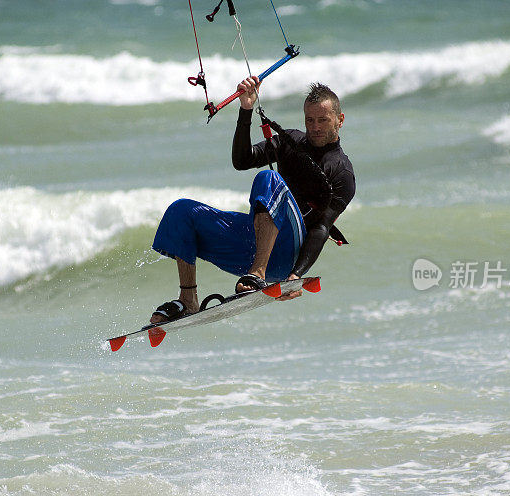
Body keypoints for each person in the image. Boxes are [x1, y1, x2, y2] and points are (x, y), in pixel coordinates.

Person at [148, 78, 356, 324]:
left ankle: (257, 273)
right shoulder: (290, 140)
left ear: (339, 120)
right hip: (253, 243)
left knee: (268, 178)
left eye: (323, 120)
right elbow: (242, 160)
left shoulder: (342, 172)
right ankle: (188, 300)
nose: (315, 127)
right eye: (310, 120)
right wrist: (245, 110)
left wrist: (294, 277)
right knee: (182, 210)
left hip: (286, 253)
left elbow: (321, 228)